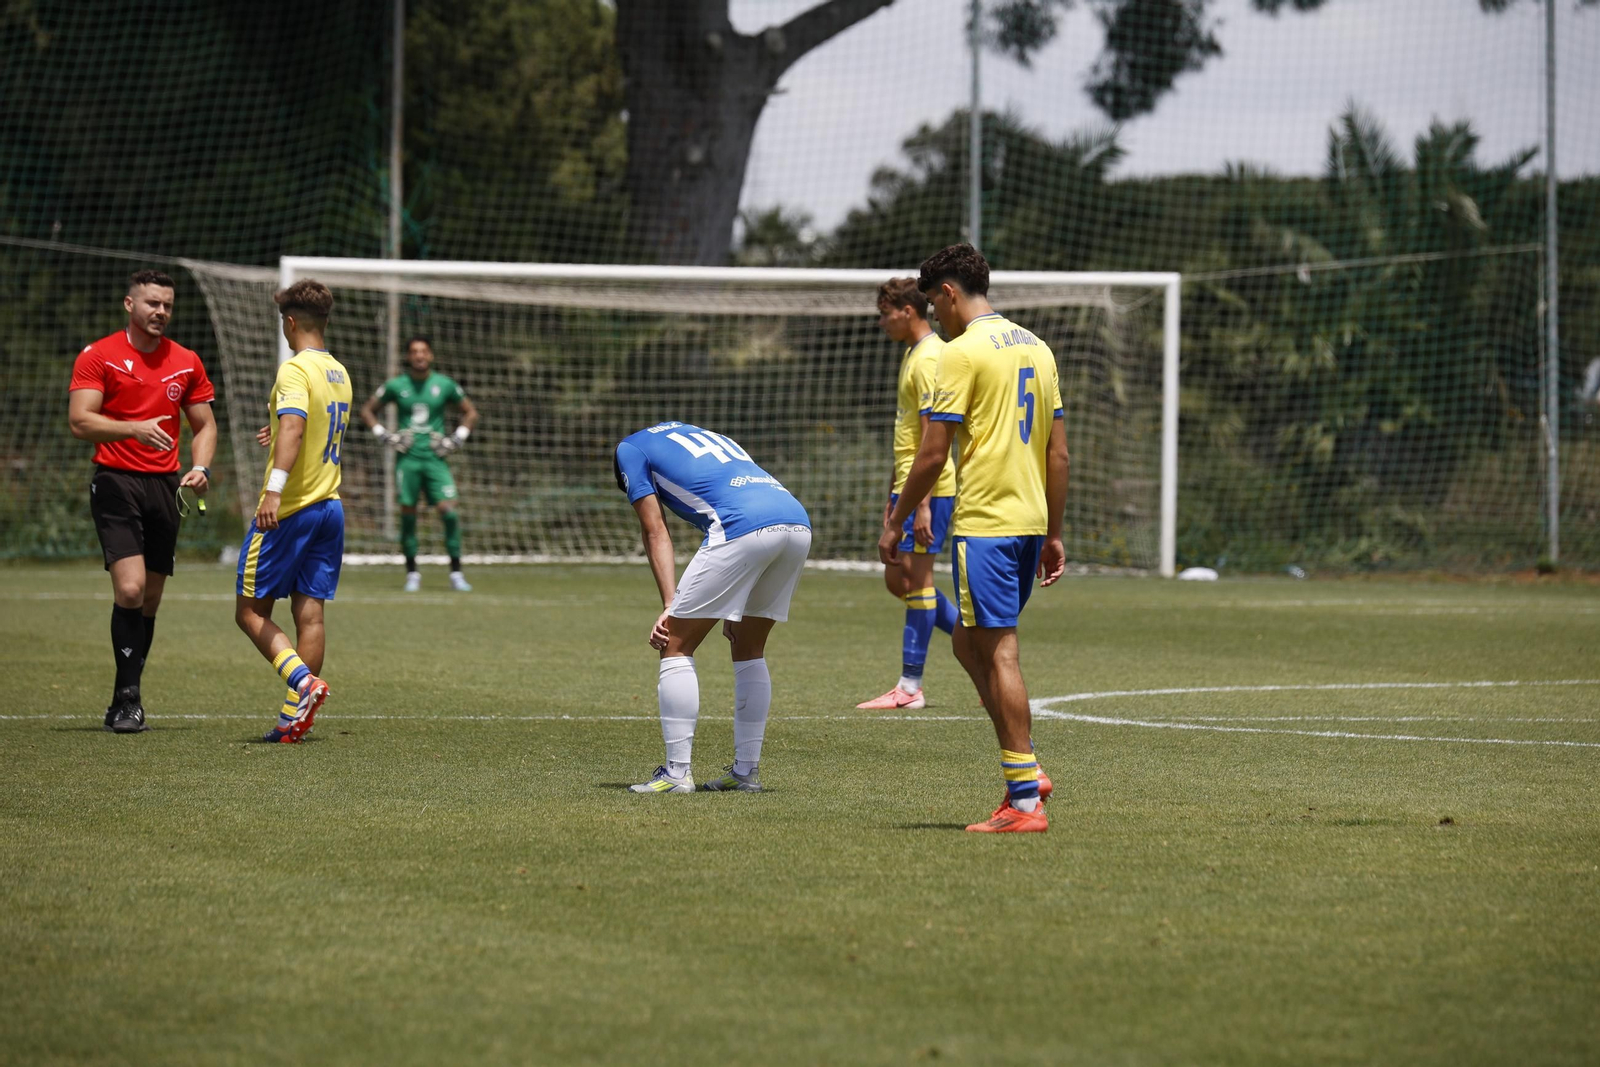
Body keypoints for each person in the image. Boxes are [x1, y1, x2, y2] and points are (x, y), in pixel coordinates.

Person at [880, 244, 1070, 833]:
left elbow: (933, 453)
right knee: (967, 644)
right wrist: (1054, 533)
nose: (937, 317)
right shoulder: (1037, 347)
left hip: (986, 525)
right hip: (1029, 521)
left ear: (950, 293)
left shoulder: (959, 355)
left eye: (936, 305)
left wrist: (896, 517)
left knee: (999, 652)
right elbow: (1057, 453)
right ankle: (1028, 768)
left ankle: (1023, 800)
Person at [614, 421, 812, 794]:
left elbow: (655, 530)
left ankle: (676, 775)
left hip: (742, 524)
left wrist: (669, 604)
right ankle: (745, 774)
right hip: (796, 522)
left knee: (674, 642)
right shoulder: (713, 435)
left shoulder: (630, 449)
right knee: (748, 645)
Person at [67, 269, 217, 733]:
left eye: (168, 305)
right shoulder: (100, 355)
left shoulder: (186, 360)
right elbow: (80, 420)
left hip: (163, 487)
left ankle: (123, 697)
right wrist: (133, 427)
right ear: (129, 305)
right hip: (114, 480)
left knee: (149, 600)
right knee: (129, 589)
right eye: (153, 303)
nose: (161, 312)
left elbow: (205, 425)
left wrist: (202, 467)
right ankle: (129, 700)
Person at [234, 280, 352, 743]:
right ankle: (292, 721)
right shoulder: (339, 371)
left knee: (249, 611)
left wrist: (272, 491)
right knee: (311, 615)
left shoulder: (294, 370)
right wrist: (279, 427)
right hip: (331, 508)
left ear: (289, 322)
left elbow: (296, 429)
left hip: (293, 510)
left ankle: (303, 683)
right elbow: (308, 425)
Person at [856, 277, 961, 711]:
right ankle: (977, 641)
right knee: (896, 577)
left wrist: (918, 504)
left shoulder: (931, 358)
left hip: (929, 492)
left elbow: (929, 440)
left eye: (885, 313)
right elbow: (904, 437)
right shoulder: (913, 355)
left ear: (908, 311)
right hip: (910, 489)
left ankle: (909, 687)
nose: (881, 321)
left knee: (918, 583)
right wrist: (894, 495)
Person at [359, 336, 479, 592]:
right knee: (409, 516)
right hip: (408, 459)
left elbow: (470, 412)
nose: (419, 356)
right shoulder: (397, 385)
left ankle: (456, 573)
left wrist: (456, 439)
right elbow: (367, 410)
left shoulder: (444, 384)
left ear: (431, 355)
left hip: (436, 459)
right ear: (408, 357)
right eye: (414, 352)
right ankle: (412, 573)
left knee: (449, 512)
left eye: (424, 351)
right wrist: (384, 435)